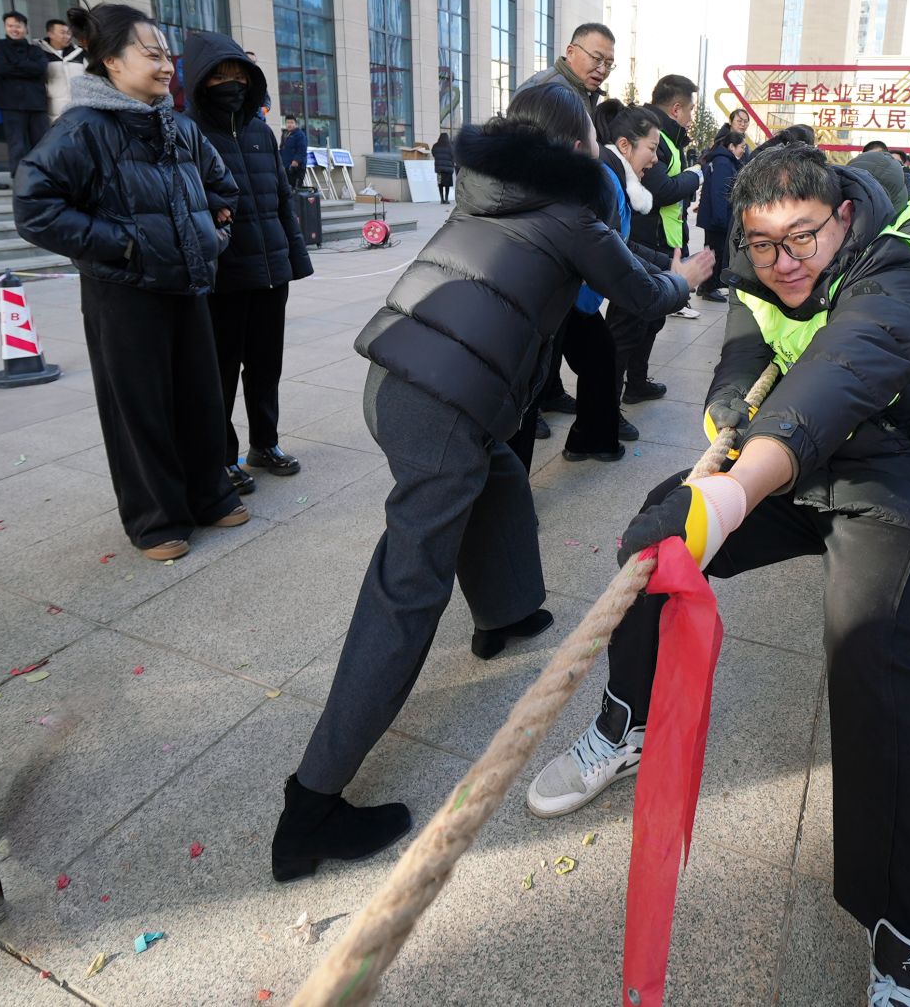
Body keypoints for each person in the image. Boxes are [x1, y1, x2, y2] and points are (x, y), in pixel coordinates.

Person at [528, 143, 910, 1005]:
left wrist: (734, 493)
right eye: (765, 243)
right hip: (787, 465)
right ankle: (626, 723)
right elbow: (745, 350)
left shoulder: (896, 262)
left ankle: (909, 928)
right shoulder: (755, 259)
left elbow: (841, 373)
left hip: (898, 468)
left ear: (843, 216)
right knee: (655, 536)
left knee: (870, 645)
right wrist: (730, 411)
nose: (784, 261)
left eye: (803, 237)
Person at [275, 87, 711, 879]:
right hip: (441, 407)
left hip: (399, 381)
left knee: (500, 474)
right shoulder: (569, 211)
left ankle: (505, 613)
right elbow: (643, 291)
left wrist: (660, 264)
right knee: (407, 590)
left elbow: (615, 253)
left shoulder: (494, 190)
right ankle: (310, 806)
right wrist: (692, 275)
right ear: (575, 148)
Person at [12, 4, 246, 562]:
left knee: (200, 398)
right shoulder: (83, 128)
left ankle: (210, 496)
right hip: (122, 291)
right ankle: (156, 519)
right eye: (151, 54)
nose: (166, 66)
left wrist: (212, 235)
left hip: (187, 284)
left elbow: (222, 187)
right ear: (112, 62)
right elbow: (35, 207)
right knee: (139, 409)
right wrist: (124, 243)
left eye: (167, 55)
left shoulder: (179, 125)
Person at [181, 32, 312, 497]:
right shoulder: (187, 131)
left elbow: (282, 198)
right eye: (219, 76)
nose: (231, 84)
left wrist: (294, 257)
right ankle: (223, 457)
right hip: (224, 275)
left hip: (270, 272)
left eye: (238, 75)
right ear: (200, 81)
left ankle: (265, 444)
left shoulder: (260, 131)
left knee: (265, 366)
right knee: (219, 373)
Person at [521, 22, 617, 417]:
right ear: (571, 51)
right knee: (537, 329)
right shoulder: (549, 91)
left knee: (560, 323)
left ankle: (547, 392)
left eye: (609, 63)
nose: (602, 68)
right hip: (542, 225)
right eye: (597, 58)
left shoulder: (579, 92)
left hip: (563, 221)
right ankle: (525, 411)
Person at [594, 100, 685, 457]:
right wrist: (662, 275)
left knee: (602, 353)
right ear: (625, 145)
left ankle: (594, 430)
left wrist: (663, 265)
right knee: (607, 351)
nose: (656, 159)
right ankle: (600, 427)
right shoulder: (607, 179)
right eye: (652, 148)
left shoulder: (617, 177)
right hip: (567, 294)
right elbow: (610, 248)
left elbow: (621, 241)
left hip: (578, 294)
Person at [629, 73, 704, 343]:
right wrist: (696, 175)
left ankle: (637, 371)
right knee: (633, 325)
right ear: (676, 109)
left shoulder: (670, 139)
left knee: (651, 321)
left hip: (663, 240)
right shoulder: (652, 135)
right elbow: (661, 190)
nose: (691, 117)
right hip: (647, 240)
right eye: (691, 110)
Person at [0, 10, 53, 170]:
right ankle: (19, 177)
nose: (14, 29)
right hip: (11, 104)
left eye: (18, 26)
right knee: (17, 144)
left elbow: (40, 68)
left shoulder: (36, 50)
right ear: (5, 28)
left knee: (42, 142)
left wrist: (15, 64)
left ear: (25, 28)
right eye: (10, 26)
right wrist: (27, 67)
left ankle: (43, 175)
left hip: (36, 103)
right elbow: (1, 68)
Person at [694, 126, 746, 302]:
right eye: (742, 146)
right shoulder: (723, 162)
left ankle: (705, 285)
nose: (743, 150)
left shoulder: (724, 160)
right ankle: (709, 288)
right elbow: (719, 192)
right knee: (715, 253)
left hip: (717, 217)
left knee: (711, 251)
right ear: (731, 146)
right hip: (717, 218)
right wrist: (720, 220)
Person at [41, 16, 84, 120]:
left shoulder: (80, 53)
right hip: (53, 111)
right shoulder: (40, 53)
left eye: (69, 33)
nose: (67, 36)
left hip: (79, 109)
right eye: (63, 33)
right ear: (50, 34)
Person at [279, 113, 311, 194]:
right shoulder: (285, 134)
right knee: (287, 189)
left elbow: (302, 149)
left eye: (291, 122)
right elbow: (282, 149)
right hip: (286, 166)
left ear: (295, 124)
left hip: (297, 168)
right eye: (287, 122)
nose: (289, 124)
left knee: (296, 190)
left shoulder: (300, 135)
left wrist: (296, 161)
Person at [431, 127, 455, 202]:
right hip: (448, 169)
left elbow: (433, 154)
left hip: (439, 170)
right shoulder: (450, 146)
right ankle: (446, 199)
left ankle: (442, 199)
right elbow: (453, 155)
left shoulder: (435, 146)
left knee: (440, 184)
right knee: (447, 184)